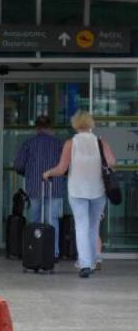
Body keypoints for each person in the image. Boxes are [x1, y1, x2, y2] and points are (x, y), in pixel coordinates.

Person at [43, 111, 116, 278]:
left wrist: (48, 173)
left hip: (77, 191)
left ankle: (85, 265)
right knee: (93, 226)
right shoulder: (100, 142)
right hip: (98, 190)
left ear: (75, 125)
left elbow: (61, 169)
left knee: (81, 226)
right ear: (91, 124)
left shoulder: (71, 143)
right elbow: (111, 162)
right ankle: (91, 261)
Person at [14, 116, 65, 259]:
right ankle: (53, 252)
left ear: (36, 128)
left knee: (34, 219)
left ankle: (34, 249)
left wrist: (29, 173)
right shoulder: (58, 144)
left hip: (35, 186)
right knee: (52, 220)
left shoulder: (28, 143)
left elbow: (18, 165)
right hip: (55, 187)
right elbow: (66, 166)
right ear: (50, 127)